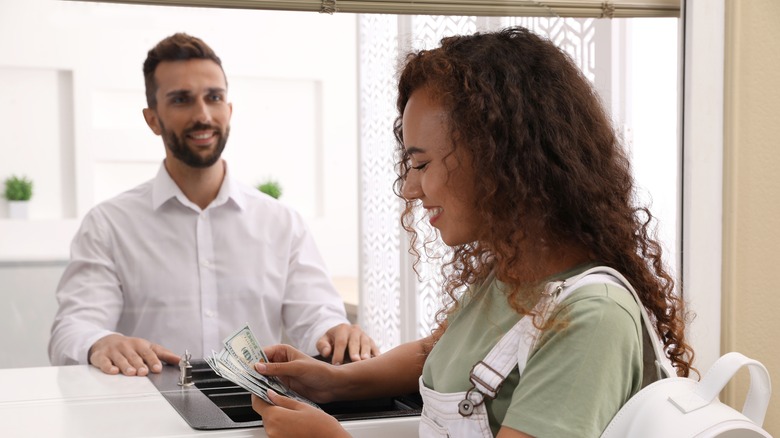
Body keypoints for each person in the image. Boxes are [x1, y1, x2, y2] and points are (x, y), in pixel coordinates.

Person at [249, 26, 695, 437]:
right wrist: (332, 382)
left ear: (501, 159)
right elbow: (438, 352)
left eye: (421, 164)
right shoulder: (510, 275)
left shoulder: (592, 319)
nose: (408, 189)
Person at [48, 33, 378, 376]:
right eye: (181, 100)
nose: (202, 115)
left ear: (229, 110)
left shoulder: (281, 223)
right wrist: (100, 342)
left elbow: (316, 320)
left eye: (214, 97)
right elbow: (72, 331)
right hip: (147, 419)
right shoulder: (108, 224)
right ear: (153, 120)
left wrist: (336, 335)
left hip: (257, 418)